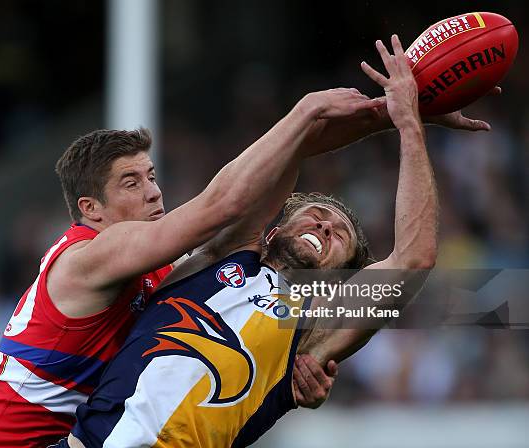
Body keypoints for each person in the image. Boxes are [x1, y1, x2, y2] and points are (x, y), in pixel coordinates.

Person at [53, 35, 494, 448]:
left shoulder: (317, 325)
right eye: (317, 217)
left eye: (339, 234)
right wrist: (390, 113)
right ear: (274, 230)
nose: (325, 228)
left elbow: (414, 259)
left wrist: (411, 127)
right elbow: (289, 152)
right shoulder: (214, 261)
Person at [0, 62, 395, 448]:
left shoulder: (152, 266)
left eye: (152, 176)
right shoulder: (87, 259)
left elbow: (262, 194)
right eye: (132, 183)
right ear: (91, 210)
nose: (154, 193)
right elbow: (225, 205)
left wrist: (397, 114)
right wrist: (306, 111)